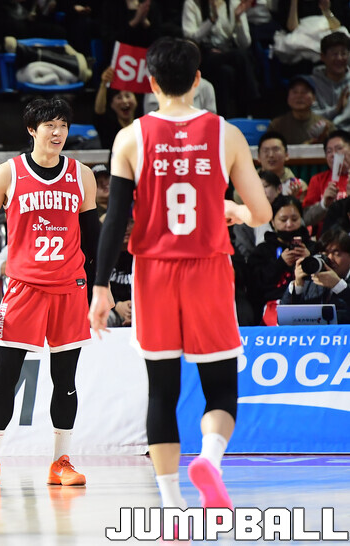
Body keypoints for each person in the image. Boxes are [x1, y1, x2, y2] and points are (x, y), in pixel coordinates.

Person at [88, 37, 271, 516]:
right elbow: (261, 212)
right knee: (221, 388)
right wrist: (233, 210)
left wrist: (101, 286)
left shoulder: (131, 138)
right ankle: (209, 458)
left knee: (161, 391)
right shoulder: (225, 134)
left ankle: (171, 505)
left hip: (153, 271)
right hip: (208, 267)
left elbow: (115, 219)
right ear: (197, 80)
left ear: (150, 83)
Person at [0, 98, 101, 488]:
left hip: (69, 288)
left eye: (63, 125)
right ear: (31, 130)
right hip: (24, 288)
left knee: (66, 378)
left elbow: (92, 238)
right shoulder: (7, 173)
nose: (57, 133)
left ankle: (61, 462)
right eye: (49, 126)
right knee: (5, 377)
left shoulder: (82, 175)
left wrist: (99, 286)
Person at [248, 195, 314, 324]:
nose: (289, 224)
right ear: (273, 222)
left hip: (309, 304)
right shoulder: (262, 251)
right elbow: (255, 286)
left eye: (294, 219)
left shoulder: (312, 247)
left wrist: (310, 261)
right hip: (273, 305)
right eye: (283, 219)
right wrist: (280, 263)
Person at [281, 227, 350, 323]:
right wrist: (298, 286)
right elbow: (284, 318)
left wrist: (338, 285)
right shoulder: (312, 279)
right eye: (325, 253)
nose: (330, 258)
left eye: (336, 253)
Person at [302, 129, 350, 229]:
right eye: (329, 151)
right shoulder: (318, 180)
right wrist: (323, 204)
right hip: (327, 236)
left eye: (339, 148)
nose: (333, 154)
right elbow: (305, 219)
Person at [269, 74, 335, 144]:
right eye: (295, 92)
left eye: (304, 92)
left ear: (314, 98)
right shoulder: (276, 126)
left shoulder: (326, 127)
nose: (299, 96)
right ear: (288, 97)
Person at [312, 32, 350, 130]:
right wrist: (336, 110)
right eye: (334, 54)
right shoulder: (311, 83)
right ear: (323, 57)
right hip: (320, 133)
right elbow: (310, 116)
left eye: (343, 53)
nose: (339, 58)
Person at [94, 66, 138, 150]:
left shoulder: (143, 124)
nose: (124, 101)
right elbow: (99, 111)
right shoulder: (108, 126)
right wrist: (103, 84)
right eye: (119, 98)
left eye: (128, 96)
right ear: (112, 105)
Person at [256, 131, 308, 201]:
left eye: (276, 150)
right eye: (266, 150)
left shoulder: (299, 186)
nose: (271, 155)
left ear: (286, 155)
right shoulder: (247, 184)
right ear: (258, 157)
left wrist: (293, 201)